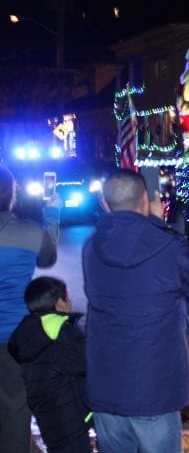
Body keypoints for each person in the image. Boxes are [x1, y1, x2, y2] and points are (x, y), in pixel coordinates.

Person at [82, 168, 189, 452]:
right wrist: (159, 223)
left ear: (105, 204)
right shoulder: (168, 245)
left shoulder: (91, 248)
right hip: (154, 388)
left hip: (105, 387)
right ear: (145, 199)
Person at [0, 164, 61, 453]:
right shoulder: (29, 233)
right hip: (14, 338)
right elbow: (48, 259)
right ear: (11, 195)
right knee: (14, 408)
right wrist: (52, 214)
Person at [7, 276, 92, 453]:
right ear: (60, 303)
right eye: (67, 298)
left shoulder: (27, 333)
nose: (70, 302)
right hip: (71, 420)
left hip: (49, 421)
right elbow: (88, 363)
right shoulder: (63, 333)